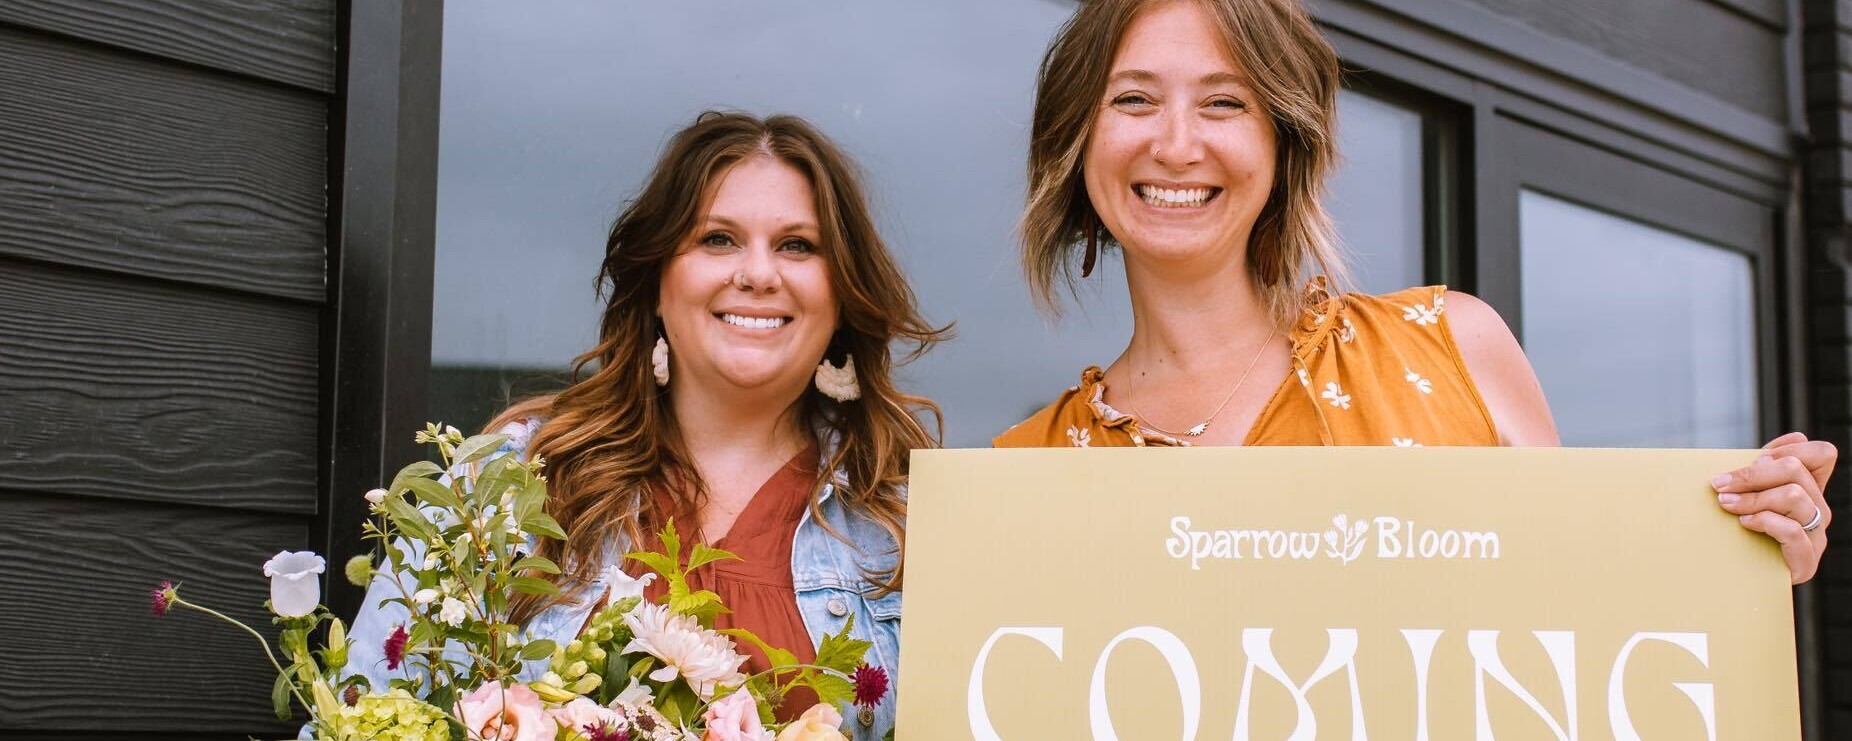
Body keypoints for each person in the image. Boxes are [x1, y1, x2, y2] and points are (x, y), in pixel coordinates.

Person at [992, 0, 1834, 583]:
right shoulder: (1020, 475)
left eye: (1224, 102)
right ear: (1075, 140)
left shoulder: (1453, 347)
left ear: (1285, 141)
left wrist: (1746, 562)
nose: (1176, 145)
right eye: (1134, 99)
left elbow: (1583, 620)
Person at [344, 111, 944, 737]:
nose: (759, 274)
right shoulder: (510, 483)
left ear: (842, 293)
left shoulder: (906, 522)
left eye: (797, 245)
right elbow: (359, 719)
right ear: (658, 279)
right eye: (718, 239)